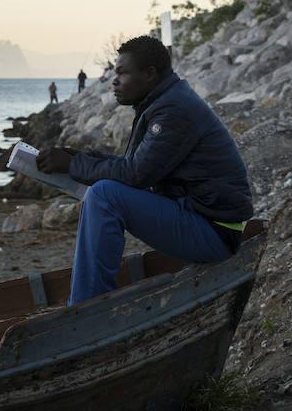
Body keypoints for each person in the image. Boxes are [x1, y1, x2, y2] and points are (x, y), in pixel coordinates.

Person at [37, 35, 253, 306]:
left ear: (150, 73)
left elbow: (136, 174)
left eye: (122, 73)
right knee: (106, 191)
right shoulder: (164, 101)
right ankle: (88, 299)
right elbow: (135, 165)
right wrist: (80, 158)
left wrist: (73, 165)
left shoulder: (173, 109)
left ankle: (86, 307)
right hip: (201, 218)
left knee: (104, 195)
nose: (114, 81)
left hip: (215, 231)